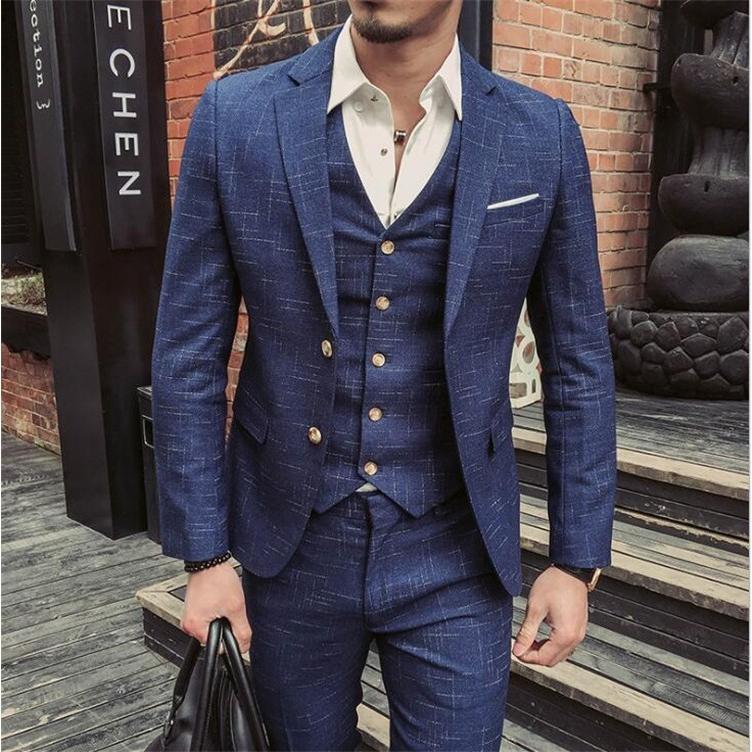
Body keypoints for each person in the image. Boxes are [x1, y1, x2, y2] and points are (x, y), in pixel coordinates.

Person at [151, 1, 617, 749]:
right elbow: (186, 353)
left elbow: (579, 364)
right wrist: (203, 555)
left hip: (458, 552)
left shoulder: (540, 134)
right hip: (286, 547)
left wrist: (575, 558)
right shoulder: (236, 116)